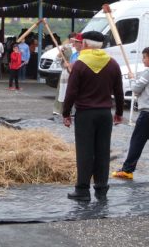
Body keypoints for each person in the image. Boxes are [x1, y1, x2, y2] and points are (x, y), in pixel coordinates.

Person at [62, 31, 124, 202]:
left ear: (86, 45)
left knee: (85, 152)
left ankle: (82, 190)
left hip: (85, 114)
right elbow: (119, 92)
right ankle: (102, 189)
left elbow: (71, 92)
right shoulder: (112, 64)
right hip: (105, 114)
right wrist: (119, 113)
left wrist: (66, 113)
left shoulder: (80, 65)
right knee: (103, 151)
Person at [113, 45, 149, 180]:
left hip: (148, 112)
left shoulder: (148, 73)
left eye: (145, 57)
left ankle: (127, 170)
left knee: (137, 141)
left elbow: (135, 89)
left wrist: (132, 78)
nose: (143, 60)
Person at [53, 33, 76, 115]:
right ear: (69, 39)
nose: (73, 41)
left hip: (77, 73)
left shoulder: (81, 49)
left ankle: (74, 111)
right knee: (63, 91)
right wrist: (64, 64)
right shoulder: (66, 48)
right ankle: (61, 110)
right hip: (66, 73)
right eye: (72, 39)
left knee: (75, 91)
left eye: (75, 39)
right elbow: (57, 59)